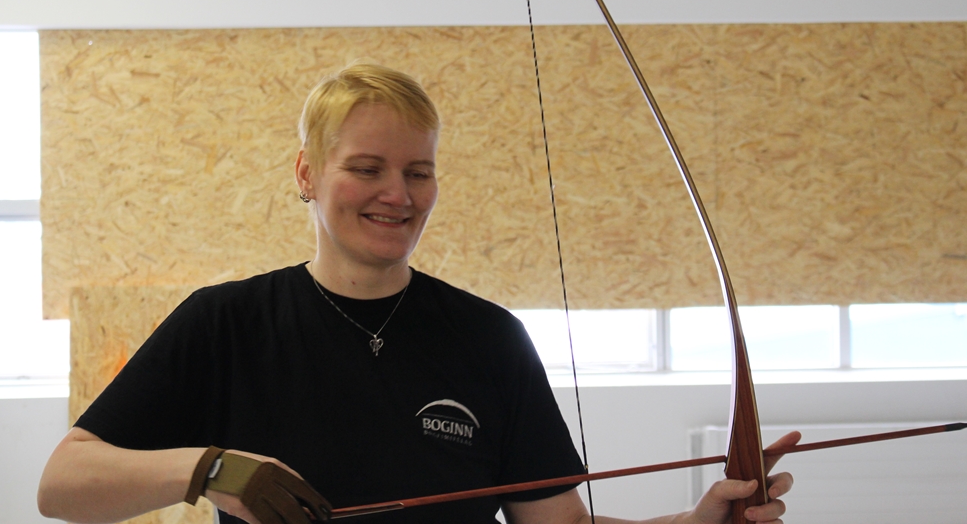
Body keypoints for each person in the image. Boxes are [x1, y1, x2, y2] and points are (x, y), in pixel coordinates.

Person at [38, 62, 797, 524]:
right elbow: (62, 484)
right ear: (307, 173)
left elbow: (557, 523)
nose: (397, 195)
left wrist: (694, 521)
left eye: (418, 172)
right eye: (366, 168)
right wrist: (210, 469)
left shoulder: (488, 337)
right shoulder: (225, 324)